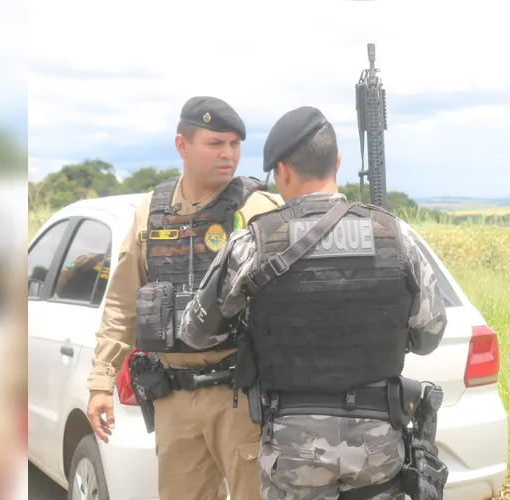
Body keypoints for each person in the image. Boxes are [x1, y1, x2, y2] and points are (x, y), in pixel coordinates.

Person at [177, 106, 449, 500]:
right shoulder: (395, 234)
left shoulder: (253, 242)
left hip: (294, 445)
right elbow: (429, 335)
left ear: (282, 171)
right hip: (377, 441)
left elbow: (196, 333)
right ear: (337, 162)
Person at [84, 96, 283, 500]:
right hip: (173, 398)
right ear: (182, 146)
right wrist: (101, 382)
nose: (228, 154)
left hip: (240, 398)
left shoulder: (257, 208)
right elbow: (123, 304)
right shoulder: (150, 213)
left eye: (234, 144)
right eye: (215, 143)